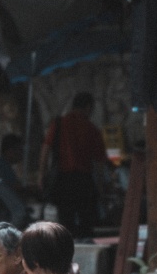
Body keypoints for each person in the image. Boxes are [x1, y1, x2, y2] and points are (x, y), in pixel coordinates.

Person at [38, 92, 112, 238]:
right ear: (88, 107)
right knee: (86, 221)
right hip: (84, 180)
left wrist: (41, 174)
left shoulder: (59, 124)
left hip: (63, 179)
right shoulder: (92, 129)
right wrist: (101, 187)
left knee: (65, 220)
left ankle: (66, 251)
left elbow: (45, 150)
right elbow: (99, 164)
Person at [0, 133, 32, 229]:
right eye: (19, 150)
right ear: (10, 151)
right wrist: (32, 189)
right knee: (21, 214)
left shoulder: (1, 165)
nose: (21, 153)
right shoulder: (2, 166)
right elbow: (16, 187)